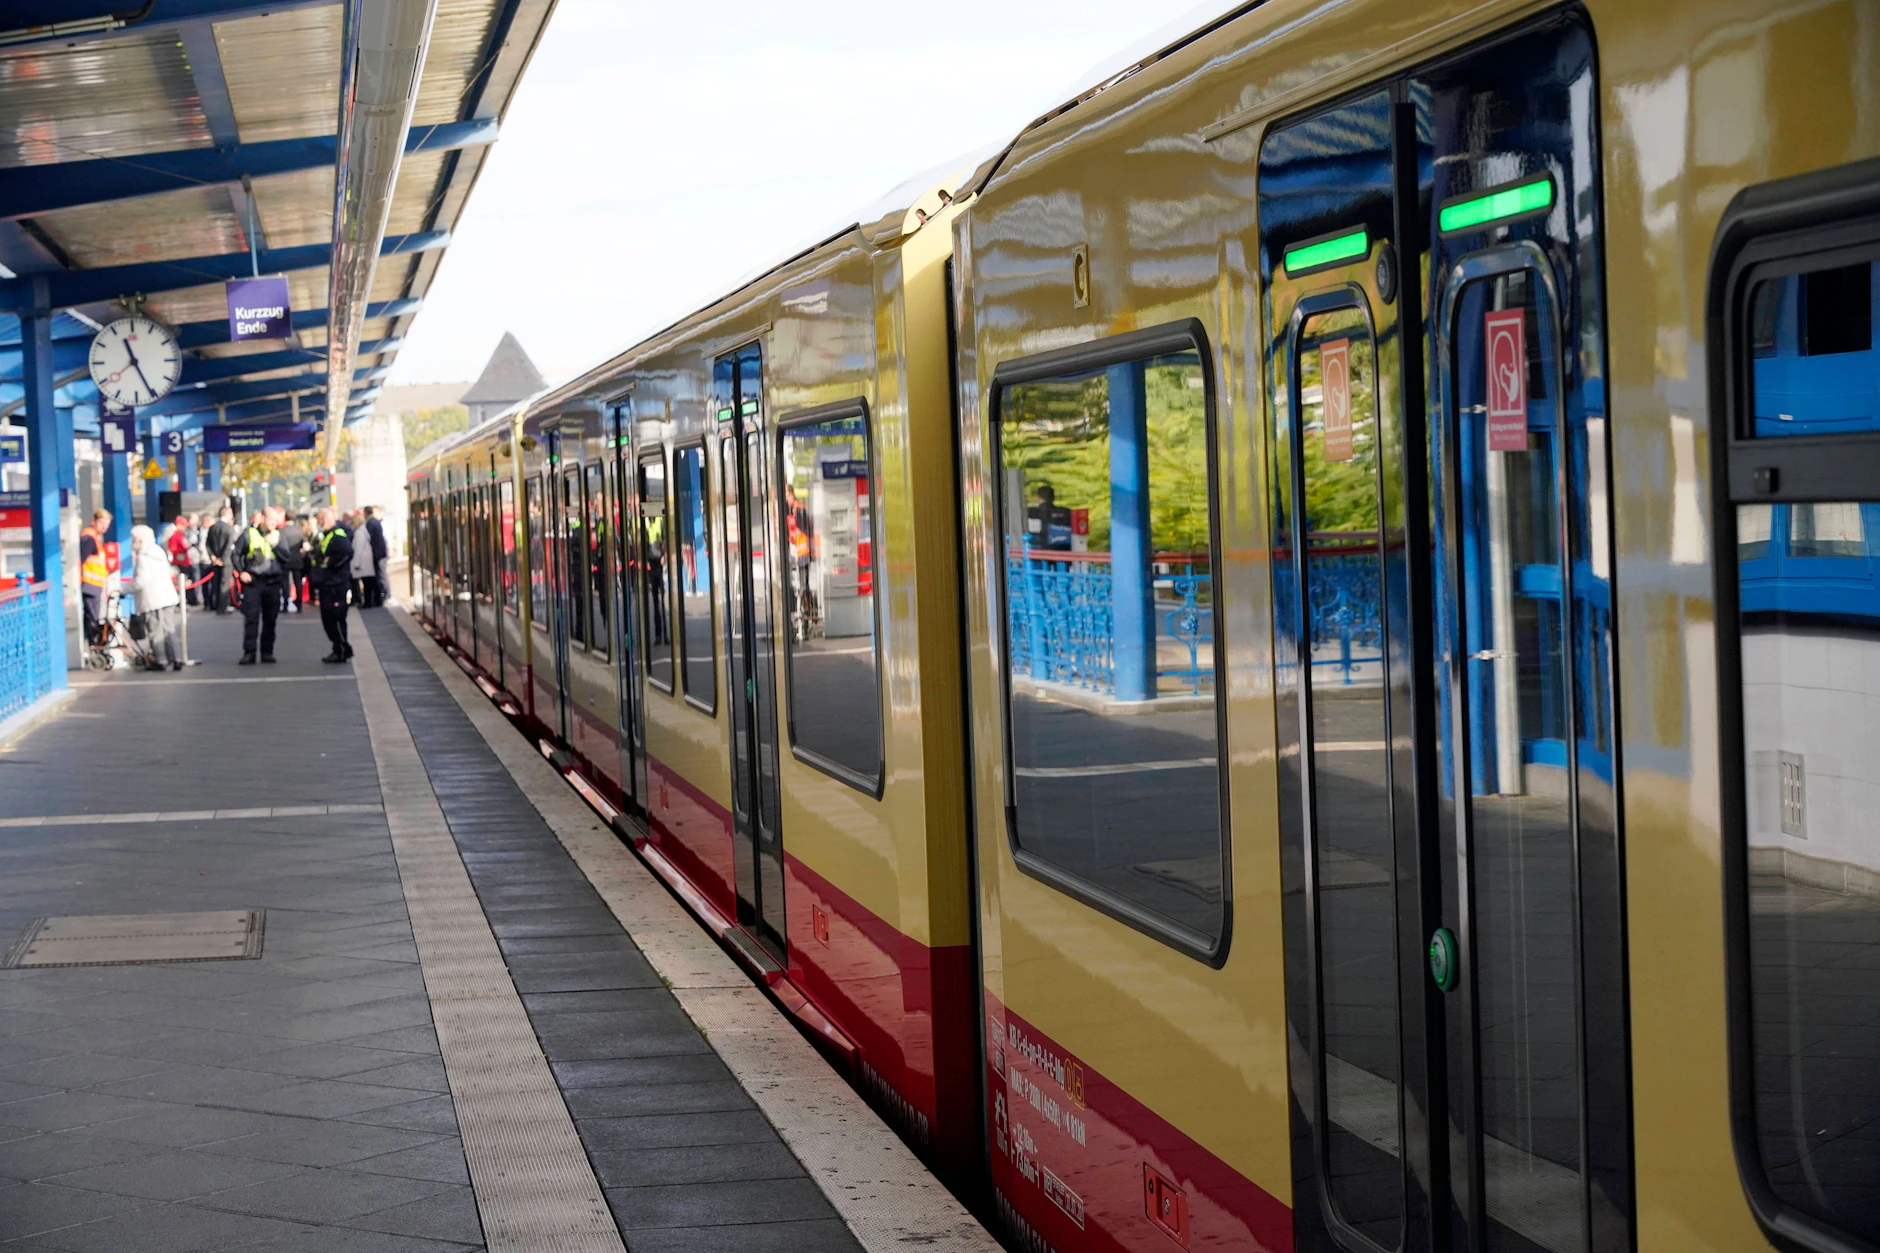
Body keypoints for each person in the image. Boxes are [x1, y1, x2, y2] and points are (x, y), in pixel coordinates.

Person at [231, 506, 286, 664]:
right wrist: (241, 572)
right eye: (270, 519)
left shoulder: (278, 535)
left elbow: (286, 557)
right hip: (254, 582)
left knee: (270, 619)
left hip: (273, 582)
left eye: (276, 520)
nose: (274, 523)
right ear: (262, 518)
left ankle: (267, 652)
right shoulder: (249, 534)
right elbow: (235, 555)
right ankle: (249, 652)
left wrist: (275, 546)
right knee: (251, 618)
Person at [129, 524, 183, 671]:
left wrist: (123, 589)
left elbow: (141, 581)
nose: (132, 542)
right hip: (168, 596)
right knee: (169, 628)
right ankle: (176, 658)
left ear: (140, 539)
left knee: (155, 630)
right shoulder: (158, 551)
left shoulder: (143, 556)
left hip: (153, 598)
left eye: (134, 539)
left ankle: (161, 660)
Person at [311, 507, 354, 664]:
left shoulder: (338, 535)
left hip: (336, 585)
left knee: (335, 618)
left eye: (320, 521)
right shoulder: (328, 535)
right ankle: (338, 648)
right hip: (328, 583)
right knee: (328, 618)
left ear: (326, 520)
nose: (319, 524)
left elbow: (347, 552)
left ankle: (342, 649)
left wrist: (331, 563)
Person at [78, 509, 111, 643]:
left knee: (92, 617)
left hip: (94, 585)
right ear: (94, 521)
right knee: (92, 618)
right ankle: (92, 645)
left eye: (107, 524)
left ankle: (92, 644)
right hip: (90, 585)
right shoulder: (89, 538)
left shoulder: (95, 538)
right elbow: (80, 561)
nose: (104, 527)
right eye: (102, 523)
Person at [275, 512, 307, 614]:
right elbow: (303, 545)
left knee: (285, 583)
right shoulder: (299, 531)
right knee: (298, 583)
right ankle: (299, 605)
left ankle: (285, 604)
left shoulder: (281, 531)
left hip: (285, 560)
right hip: (297, 559)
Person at [204, 507, 234, 614]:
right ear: (227, 514)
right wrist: (223, 559)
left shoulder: (213, 527)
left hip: (215, 560)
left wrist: (212, 556)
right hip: (225, 561)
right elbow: (228, 545)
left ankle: (215, 604)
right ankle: (222, 606)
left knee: (216, 583)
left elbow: (207, 544)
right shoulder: (228, 528)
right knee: (224, 584)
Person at [349, 509, 375, 609]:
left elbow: (358, 549)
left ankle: (367, 602)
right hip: (365, 562)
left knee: (366, 583)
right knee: (367, 583)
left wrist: (356, 563)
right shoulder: (363, 532)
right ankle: (368, 601)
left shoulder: (359, 533)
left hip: (362, 563)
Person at [364, 506, 389, 607]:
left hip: (376, 554)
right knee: (380, 575)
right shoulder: (375, 522)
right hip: (380, 552)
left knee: (378, 576)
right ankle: (382, 596)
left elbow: (369, 538)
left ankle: (380, 597)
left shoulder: (370, 523)